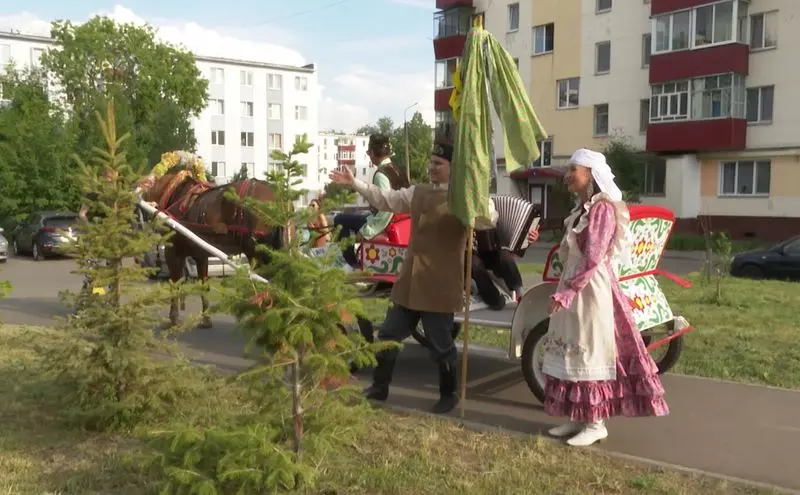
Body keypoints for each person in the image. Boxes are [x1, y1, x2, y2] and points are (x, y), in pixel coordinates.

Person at [328, 140, 489, 414]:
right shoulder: (419, 192)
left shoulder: (463, 196)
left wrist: (477, 201)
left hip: (438, 286)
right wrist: (356, 184)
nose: (432, 167)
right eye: (431, 162)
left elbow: (488, 219)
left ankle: (449, 395)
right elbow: (387, 199)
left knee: (441, 344)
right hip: (409, 283)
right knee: (388, 334)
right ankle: (380, 388)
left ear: (454, 168)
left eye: (438, 163)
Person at [542, 148, 668, 447]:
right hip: (576, 284)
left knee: (590, 348)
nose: (568, 175)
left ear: (591, 175)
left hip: (591, 290)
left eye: (574, 169)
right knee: (573, 349)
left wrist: (567, 292)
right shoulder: (582, 210)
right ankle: (578, 416)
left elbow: (594, 257)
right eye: (568, 169)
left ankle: (596, 422)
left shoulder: (603, 209)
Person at [332, 134, 409, 268]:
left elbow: (386, 208)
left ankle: (353, 265)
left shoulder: (381, 174)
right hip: (400, 219)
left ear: (372, 153)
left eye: (369, 153)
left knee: (340, 219)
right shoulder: (397, 170)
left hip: (386, 222)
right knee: (355, 218)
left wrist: (369, 231)